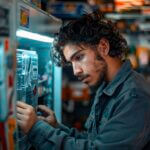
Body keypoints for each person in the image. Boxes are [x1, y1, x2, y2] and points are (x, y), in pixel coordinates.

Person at [16, 10, 150, 150]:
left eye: (79, 57)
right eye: (71, 62)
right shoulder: (108, 87)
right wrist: (56, 128)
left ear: (103, 47)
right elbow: (95, 141)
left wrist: (35, 129)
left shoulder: (134, 96)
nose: (75, 71)